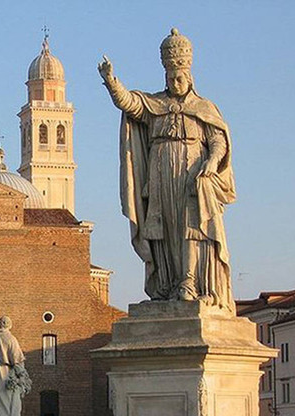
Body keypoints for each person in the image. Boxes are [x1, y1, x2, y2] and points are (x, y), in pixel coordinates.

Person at [98, 29, 235, 311]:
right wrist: (112, 82)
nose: (175, 81)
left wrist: (211, 163)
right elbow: (130, 104)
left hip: (193, 175)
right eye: (170, 77)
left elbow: (218, 141)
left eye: (179, 77)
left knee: (192, 227)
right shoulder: (155, 104)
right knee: (163, 229)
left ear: (189, 77)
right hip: (160, 174)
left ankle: (189, 281)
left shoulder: (203, 107)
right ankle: (166, 283)